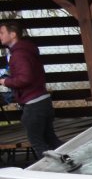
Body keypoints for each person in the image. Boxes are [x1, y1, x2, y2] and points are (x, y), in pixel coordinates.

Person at [0, 20, 61, 157]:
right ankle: (72, 160)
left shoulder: (19, 54)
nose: (0, 36)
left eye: (2, 32)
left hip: (33, 104)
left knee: (38, 143)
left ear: (13, 34)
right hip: (43, 100)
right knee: (51, 140)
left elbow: (25, 78)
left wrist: (5, 81)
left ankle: (51, 172)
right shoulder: (26, 50)